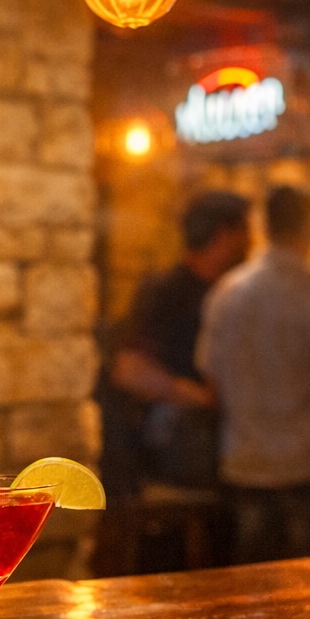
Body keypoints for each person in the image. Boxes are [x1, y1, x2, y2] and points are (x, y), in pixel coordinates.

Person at [197, 185, 310, 564]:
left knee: (258, 599)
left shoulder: (226, 294)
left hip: (246, 465)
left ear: (264, 228)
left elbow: (213, 385)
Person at [96, 190, 252, 504]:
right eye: (246, 231)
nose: (252, 241)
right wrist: (206, 398)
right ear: (224, 235)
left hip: (223, 455)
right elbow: (129, 371)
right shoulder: (168, 291)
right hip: (179, 458)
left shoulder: (233, 292)